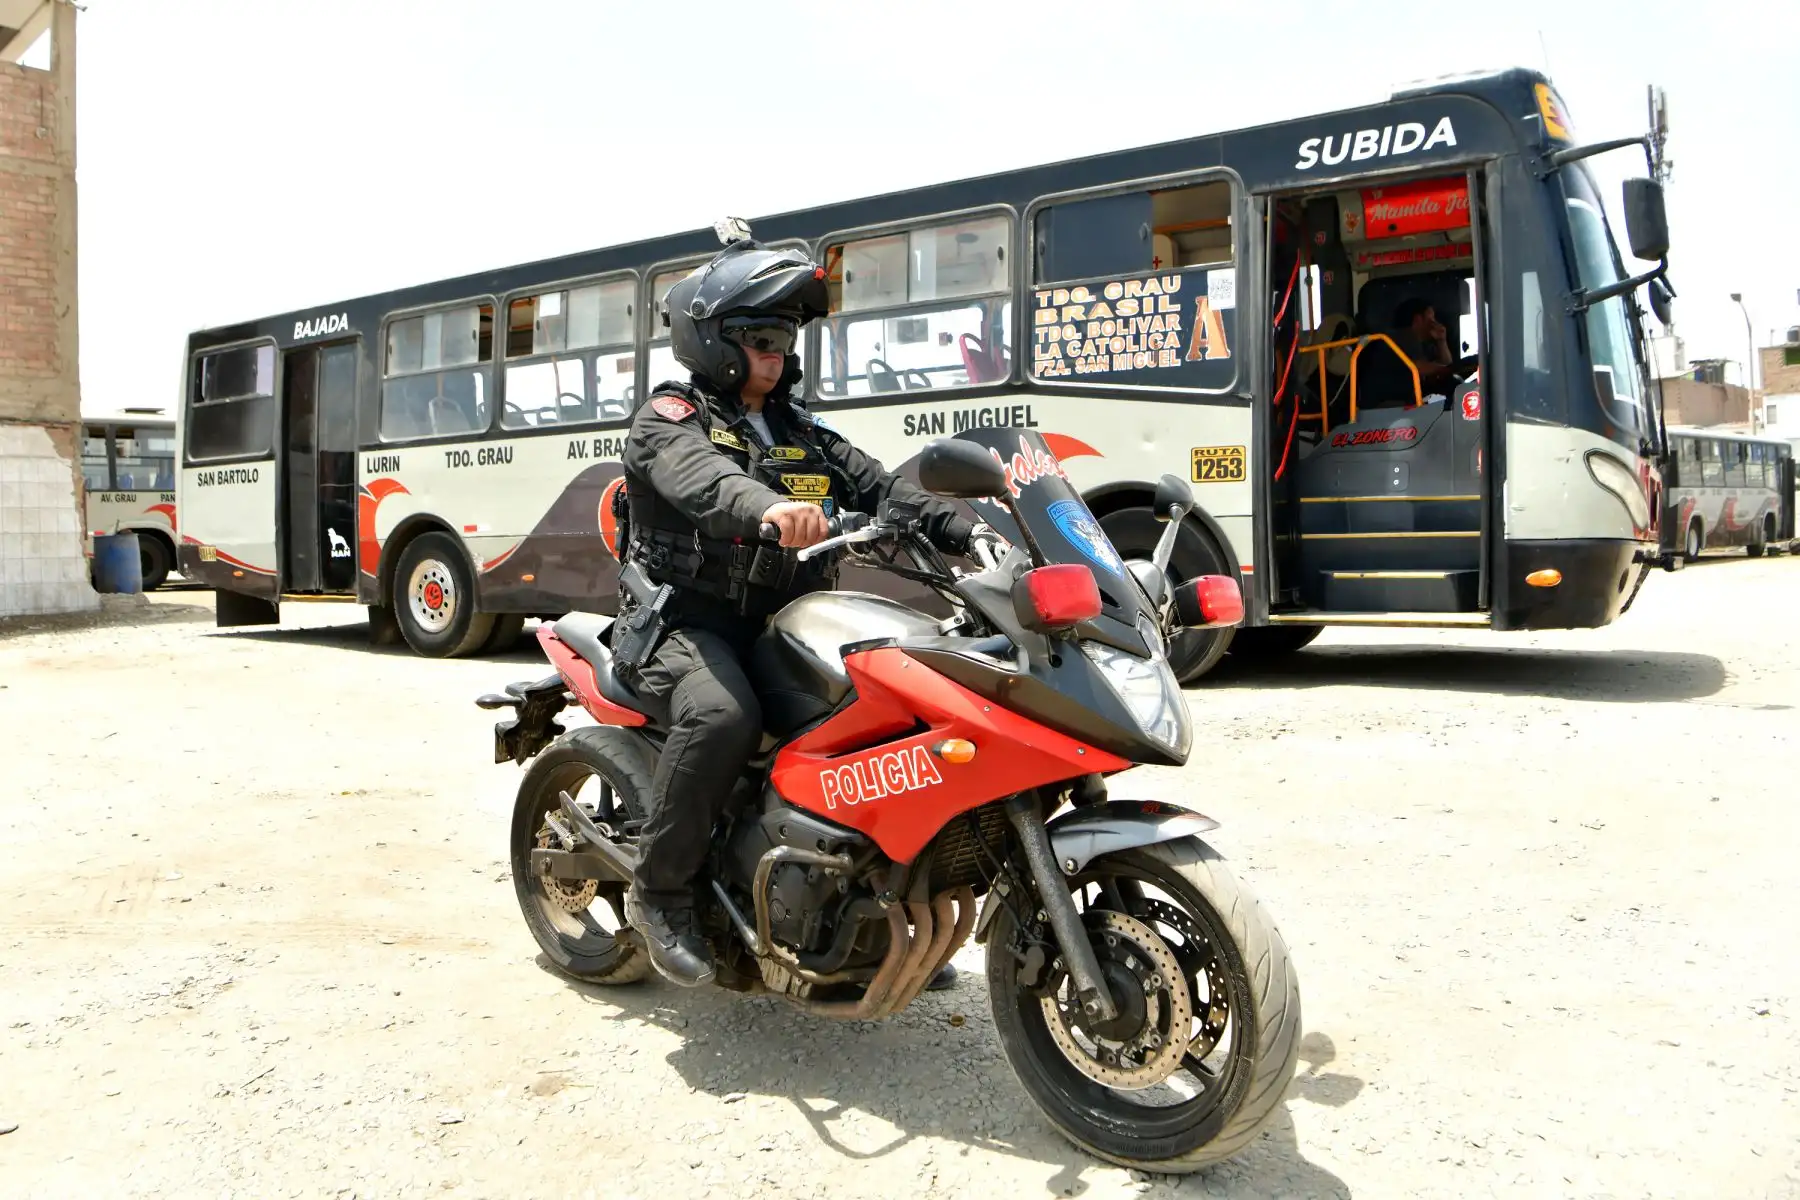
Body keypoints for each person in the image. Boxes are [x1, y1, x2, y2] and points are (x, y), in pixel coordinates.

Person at [617, 234, 998, 988]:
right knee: (721, 715)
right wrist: (768, 508)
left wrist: (970, 528)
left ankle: (869, 917)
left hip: (784, 619)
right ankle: (659, 896)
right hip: (684, 621)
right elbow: (703, 482)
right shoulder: (669, 418)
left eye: (785, 337)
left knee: (883, 717)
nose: (776, 352)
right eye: (760, 337)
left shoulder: (799, 431)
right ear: (715, 342)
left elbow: (883, 487)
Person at [1389, 297, 1461, 396]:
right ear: (1418, 319)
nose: (1434, 323)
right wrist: (1446, 369)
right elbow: (1418, 368)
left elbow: (1446, 364)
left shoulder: (1425, 344)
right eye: (1431, 319)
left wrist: (1441, 341)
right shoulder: (1403, 337)